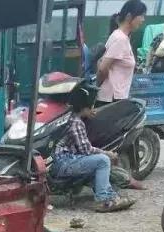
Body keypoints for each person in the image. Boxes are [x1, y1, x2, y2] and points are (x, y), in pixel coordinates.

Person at [51, 84, 134, 214]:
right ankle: (103, 200)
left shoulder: (70, 118)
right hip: (65, 163)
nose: (93, 110)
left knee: (95, 165)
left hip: (63, 162)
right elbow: (86, 150)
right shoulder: (76, 122)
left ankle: (111, 197)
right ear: (85, 107)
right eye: (91, 107)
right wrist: (108, 153)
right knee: (102, 160)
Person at [96, 2, 146, 104]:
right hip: (111, 98)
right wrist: (98, 86)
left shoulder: (121, 37)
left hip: (115, 97)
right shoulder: (120, 39)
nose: (143, 19)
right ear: (129, 16)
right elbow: (102, 68)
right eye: (141, 15)